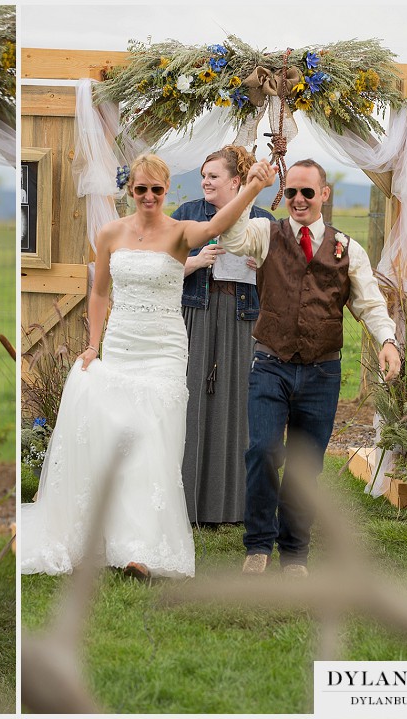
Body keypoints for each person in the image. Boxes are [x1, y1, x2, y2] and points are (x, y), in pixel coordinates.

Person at [20, 153, 275, 579]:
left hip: (164, 349)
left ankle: (143, 549)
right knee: (117, 440)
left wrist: (253, 187)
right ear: (130, 191)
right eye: (141, 189)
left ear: (166, 189)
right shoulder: (110, 233)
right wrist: (92, 344)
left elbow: (215, 228)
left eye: (157, 189)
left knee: (155, 439)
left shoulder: (179, 232)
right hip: (121, 344)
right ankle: (107, 536)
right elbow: (99, 292)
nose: (150, 197)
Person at [220, 158, 401, 577]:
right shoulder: (265, 233)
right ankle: (258, 544)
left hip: (322, 372)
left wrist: (388, 341)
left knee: (306, 464)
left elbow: (370, 304)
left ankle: (295, 553)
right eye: (291, 192)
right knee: (262, 449)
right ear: (283, 196)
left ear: (324, 194)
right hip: (271, 363)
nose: (298, 200)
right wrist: (250, 189)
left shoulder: (347, 249)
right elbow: (230, 239)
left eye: (306, 192)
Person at [172, 146, 275, 525]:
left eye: (213, 176)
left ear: (236, 181)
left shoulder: (262, 220)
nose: (205, 182)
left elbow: (281, 281)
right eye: (204, 175)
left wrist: (262, 268)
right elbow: (159, 266)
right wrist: (196, 262)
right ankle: (187, 503)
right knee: (192, 401)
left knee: (237, 406)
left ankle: (234, 506)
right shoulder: (187, 215)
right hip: (196, 316)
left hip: (242, 320)